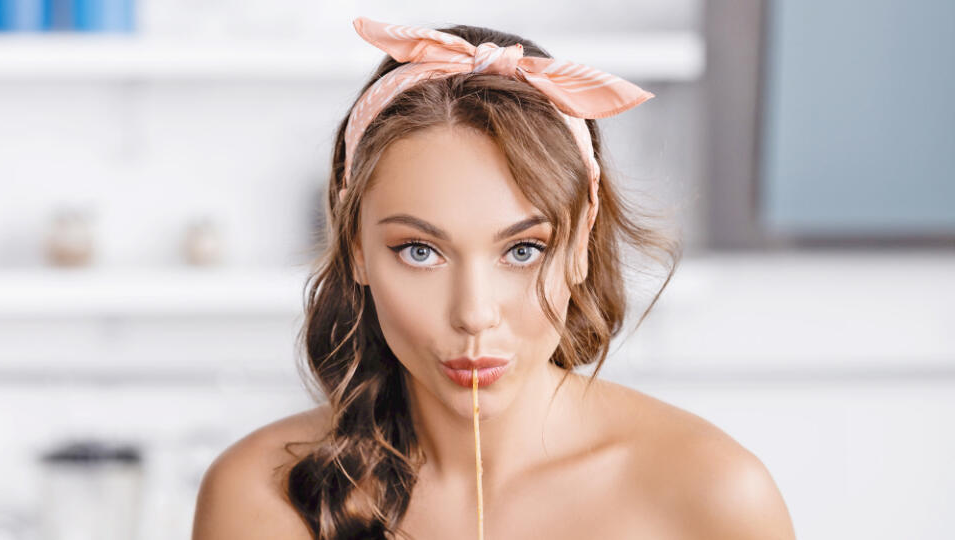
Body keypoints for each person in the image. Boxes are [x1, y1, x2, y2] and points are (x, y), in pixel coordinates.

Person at [192, 16, 796, 540]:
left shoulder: (712, 494)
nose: (475, 313)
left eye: (524, 250)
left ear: (582, 240)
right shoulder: (255, 498)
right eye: (420, 251)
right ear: (354, 247)